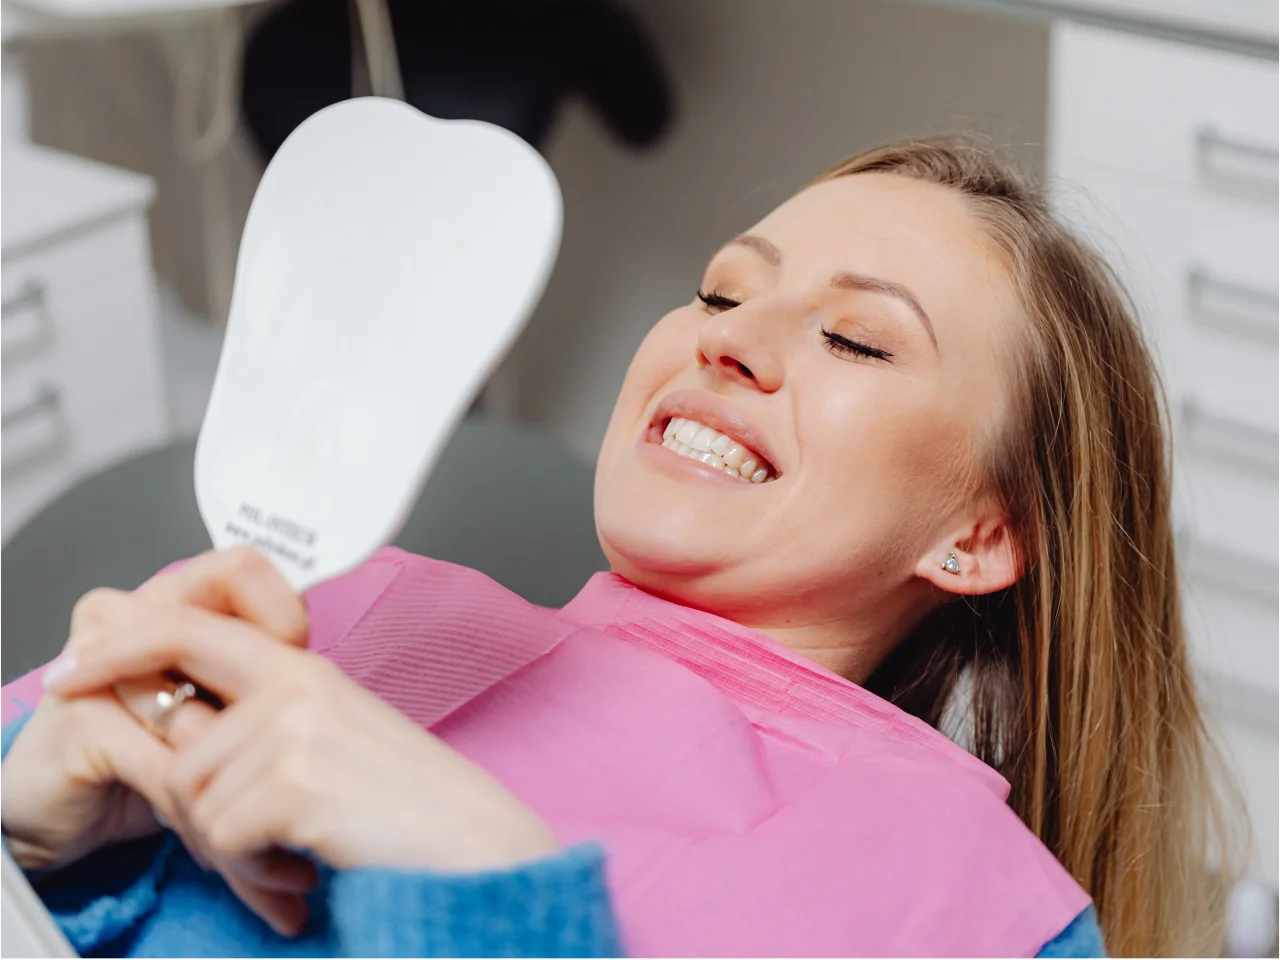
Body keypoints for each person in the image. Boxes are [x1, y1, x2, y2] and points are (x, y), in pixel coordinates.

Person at [0, 138, 1242, 959]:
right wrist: (28, 843)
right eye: (718, 290)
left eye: (856, 340)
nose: (730, 337)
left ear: (979, 534)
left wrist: (493, 902)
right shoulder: (325, 608)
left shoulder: (968, 904)